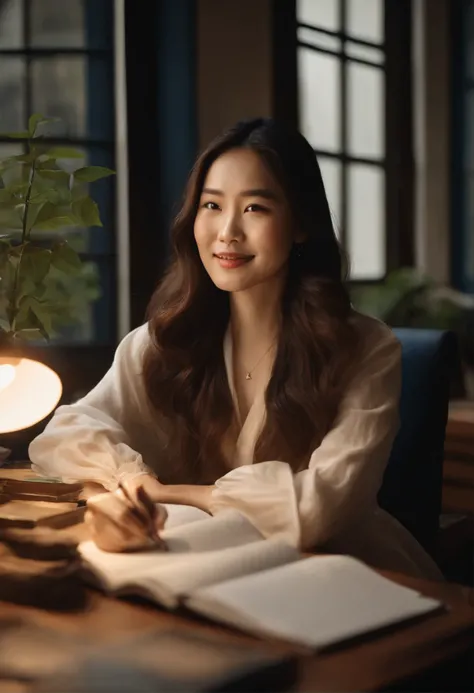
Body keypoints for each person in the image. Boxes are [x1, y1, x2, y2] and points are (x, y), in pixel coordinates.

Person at [29, 118, 443, 580]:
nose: (227, 231)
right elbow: (65, 433)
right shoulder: (165, 340)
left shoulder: (366, 348)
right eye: (211, 205)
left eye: (255, 209)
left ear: (301, 223)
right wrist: (128, 482)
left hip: (342, 571)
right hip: (206, 565)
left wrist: (175, 494)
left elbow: (318, 510)